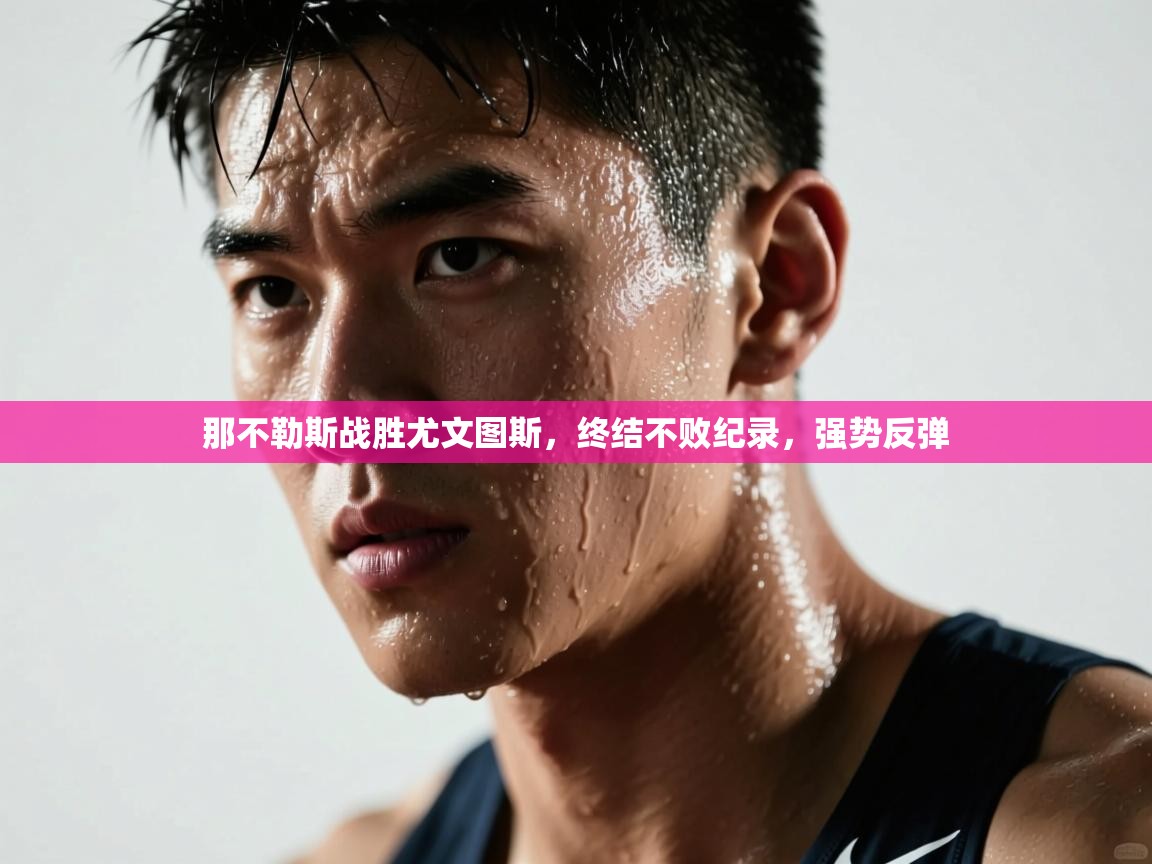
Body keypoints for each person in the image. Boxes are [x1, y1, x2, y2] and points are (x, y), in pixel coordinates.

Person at [132, 2, 1152, 862]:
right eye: (273, 290)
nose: (336, 405)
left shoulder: (1096, 827)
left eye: (461, 256)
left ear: (775, 287)